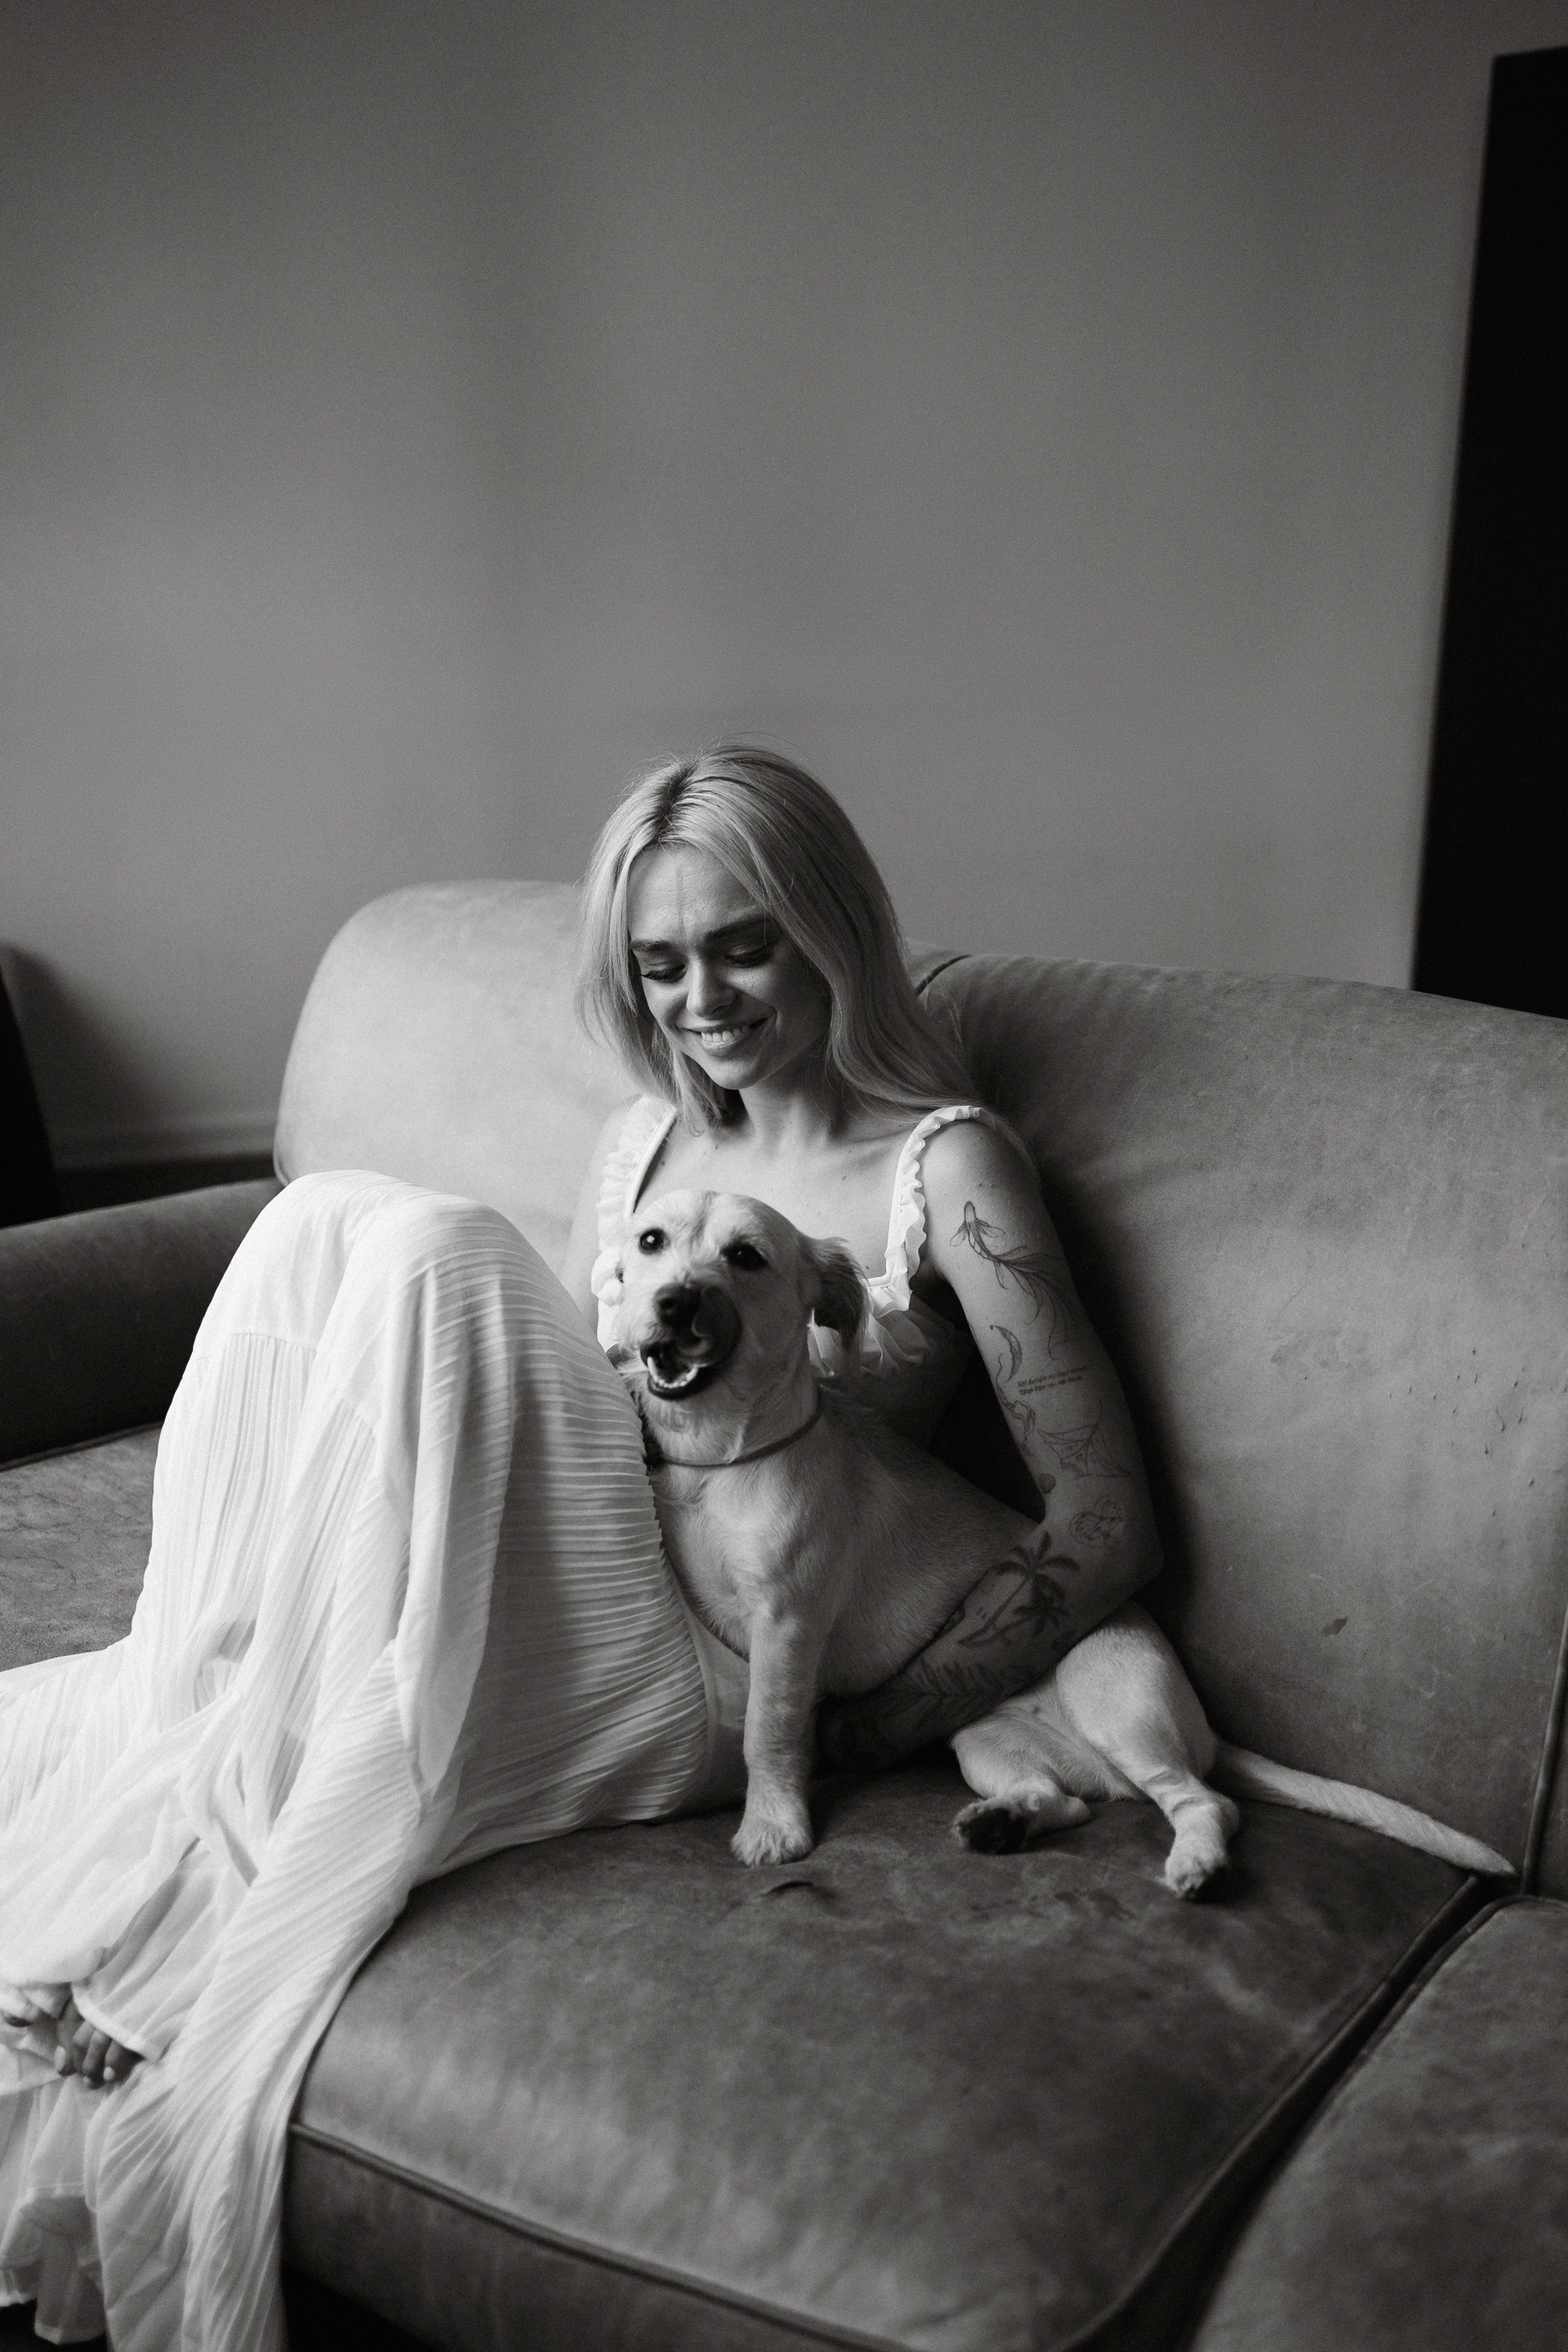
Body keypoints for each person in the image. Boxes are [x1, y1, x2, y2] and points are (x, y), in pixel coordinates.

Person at [0, 746, 1157, 2351]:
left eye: (742, 948)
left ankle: (199, 1853)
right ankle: (209, 1730)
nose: (702, 1001)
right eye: (661, 964)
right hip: (594, 1561)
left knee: (427, 1244)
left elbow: (1107, 1523)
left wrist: (862, 1729)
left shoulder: (946, 1170)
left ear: (831, 930)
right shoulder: (642, 1148)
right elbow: (557, 1405)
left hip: (725, 1655)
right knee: (323, 1219)